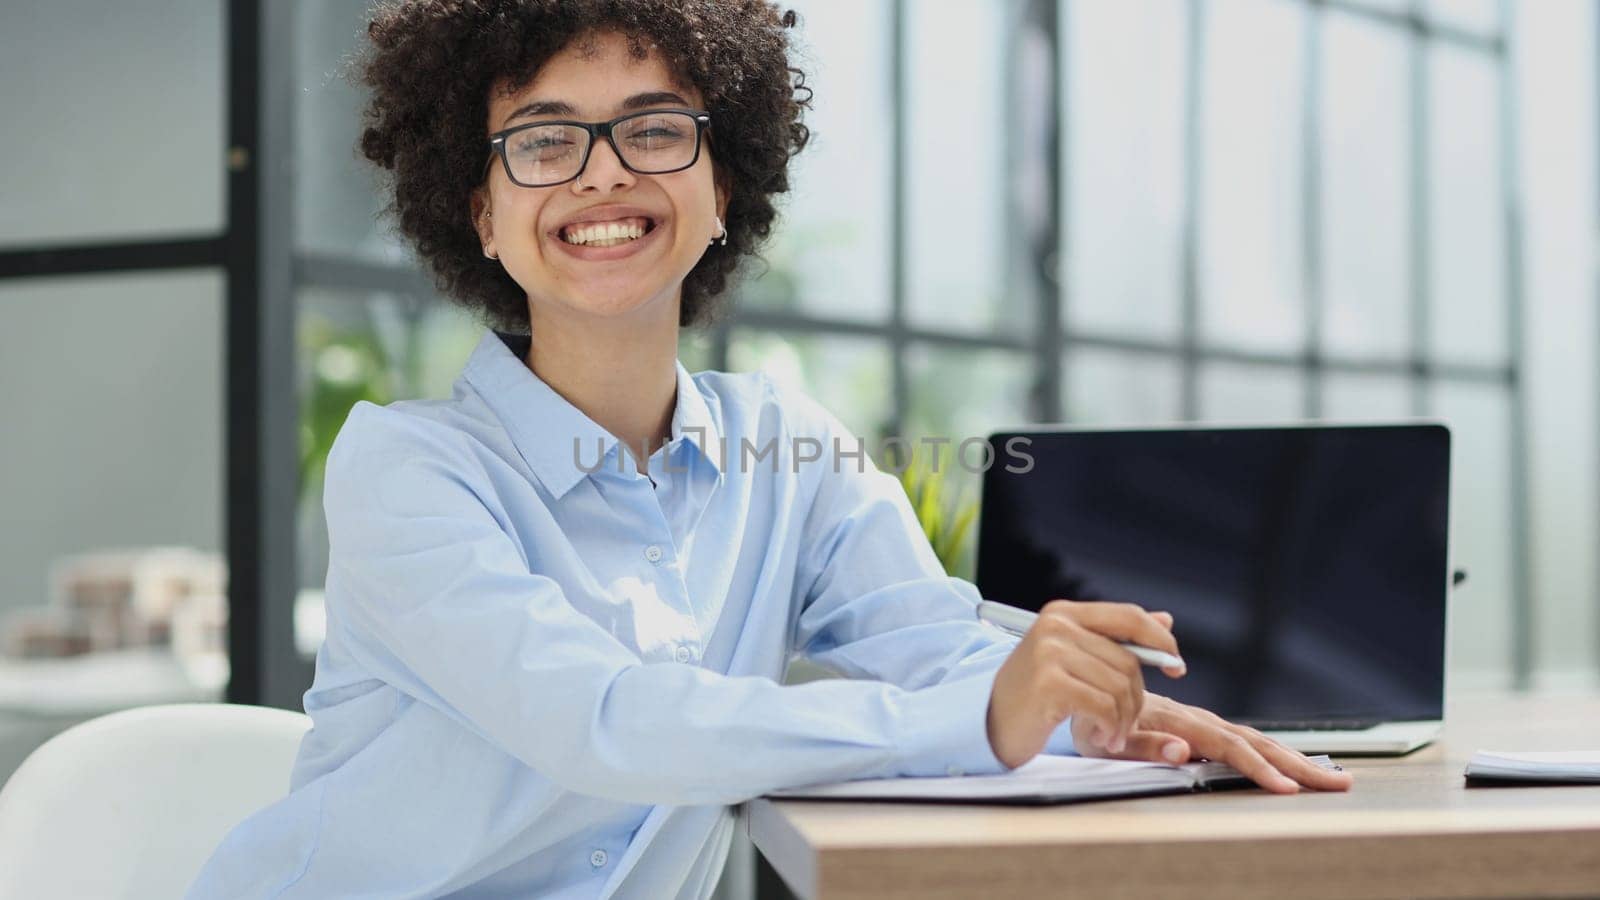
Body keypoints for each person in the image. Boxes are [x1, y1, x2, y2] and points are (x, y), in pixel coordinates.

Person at [187, 1, 1351, 897]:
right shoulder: (408, 470)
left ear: (723, 179)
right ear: (478, 213)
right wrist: (983, 715)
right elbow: (604, 721)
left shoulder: (786, 445)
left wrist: (1094, 716)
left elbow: (930, 643)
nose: (603, 171)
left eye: (654, 129)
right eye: (542, 140)